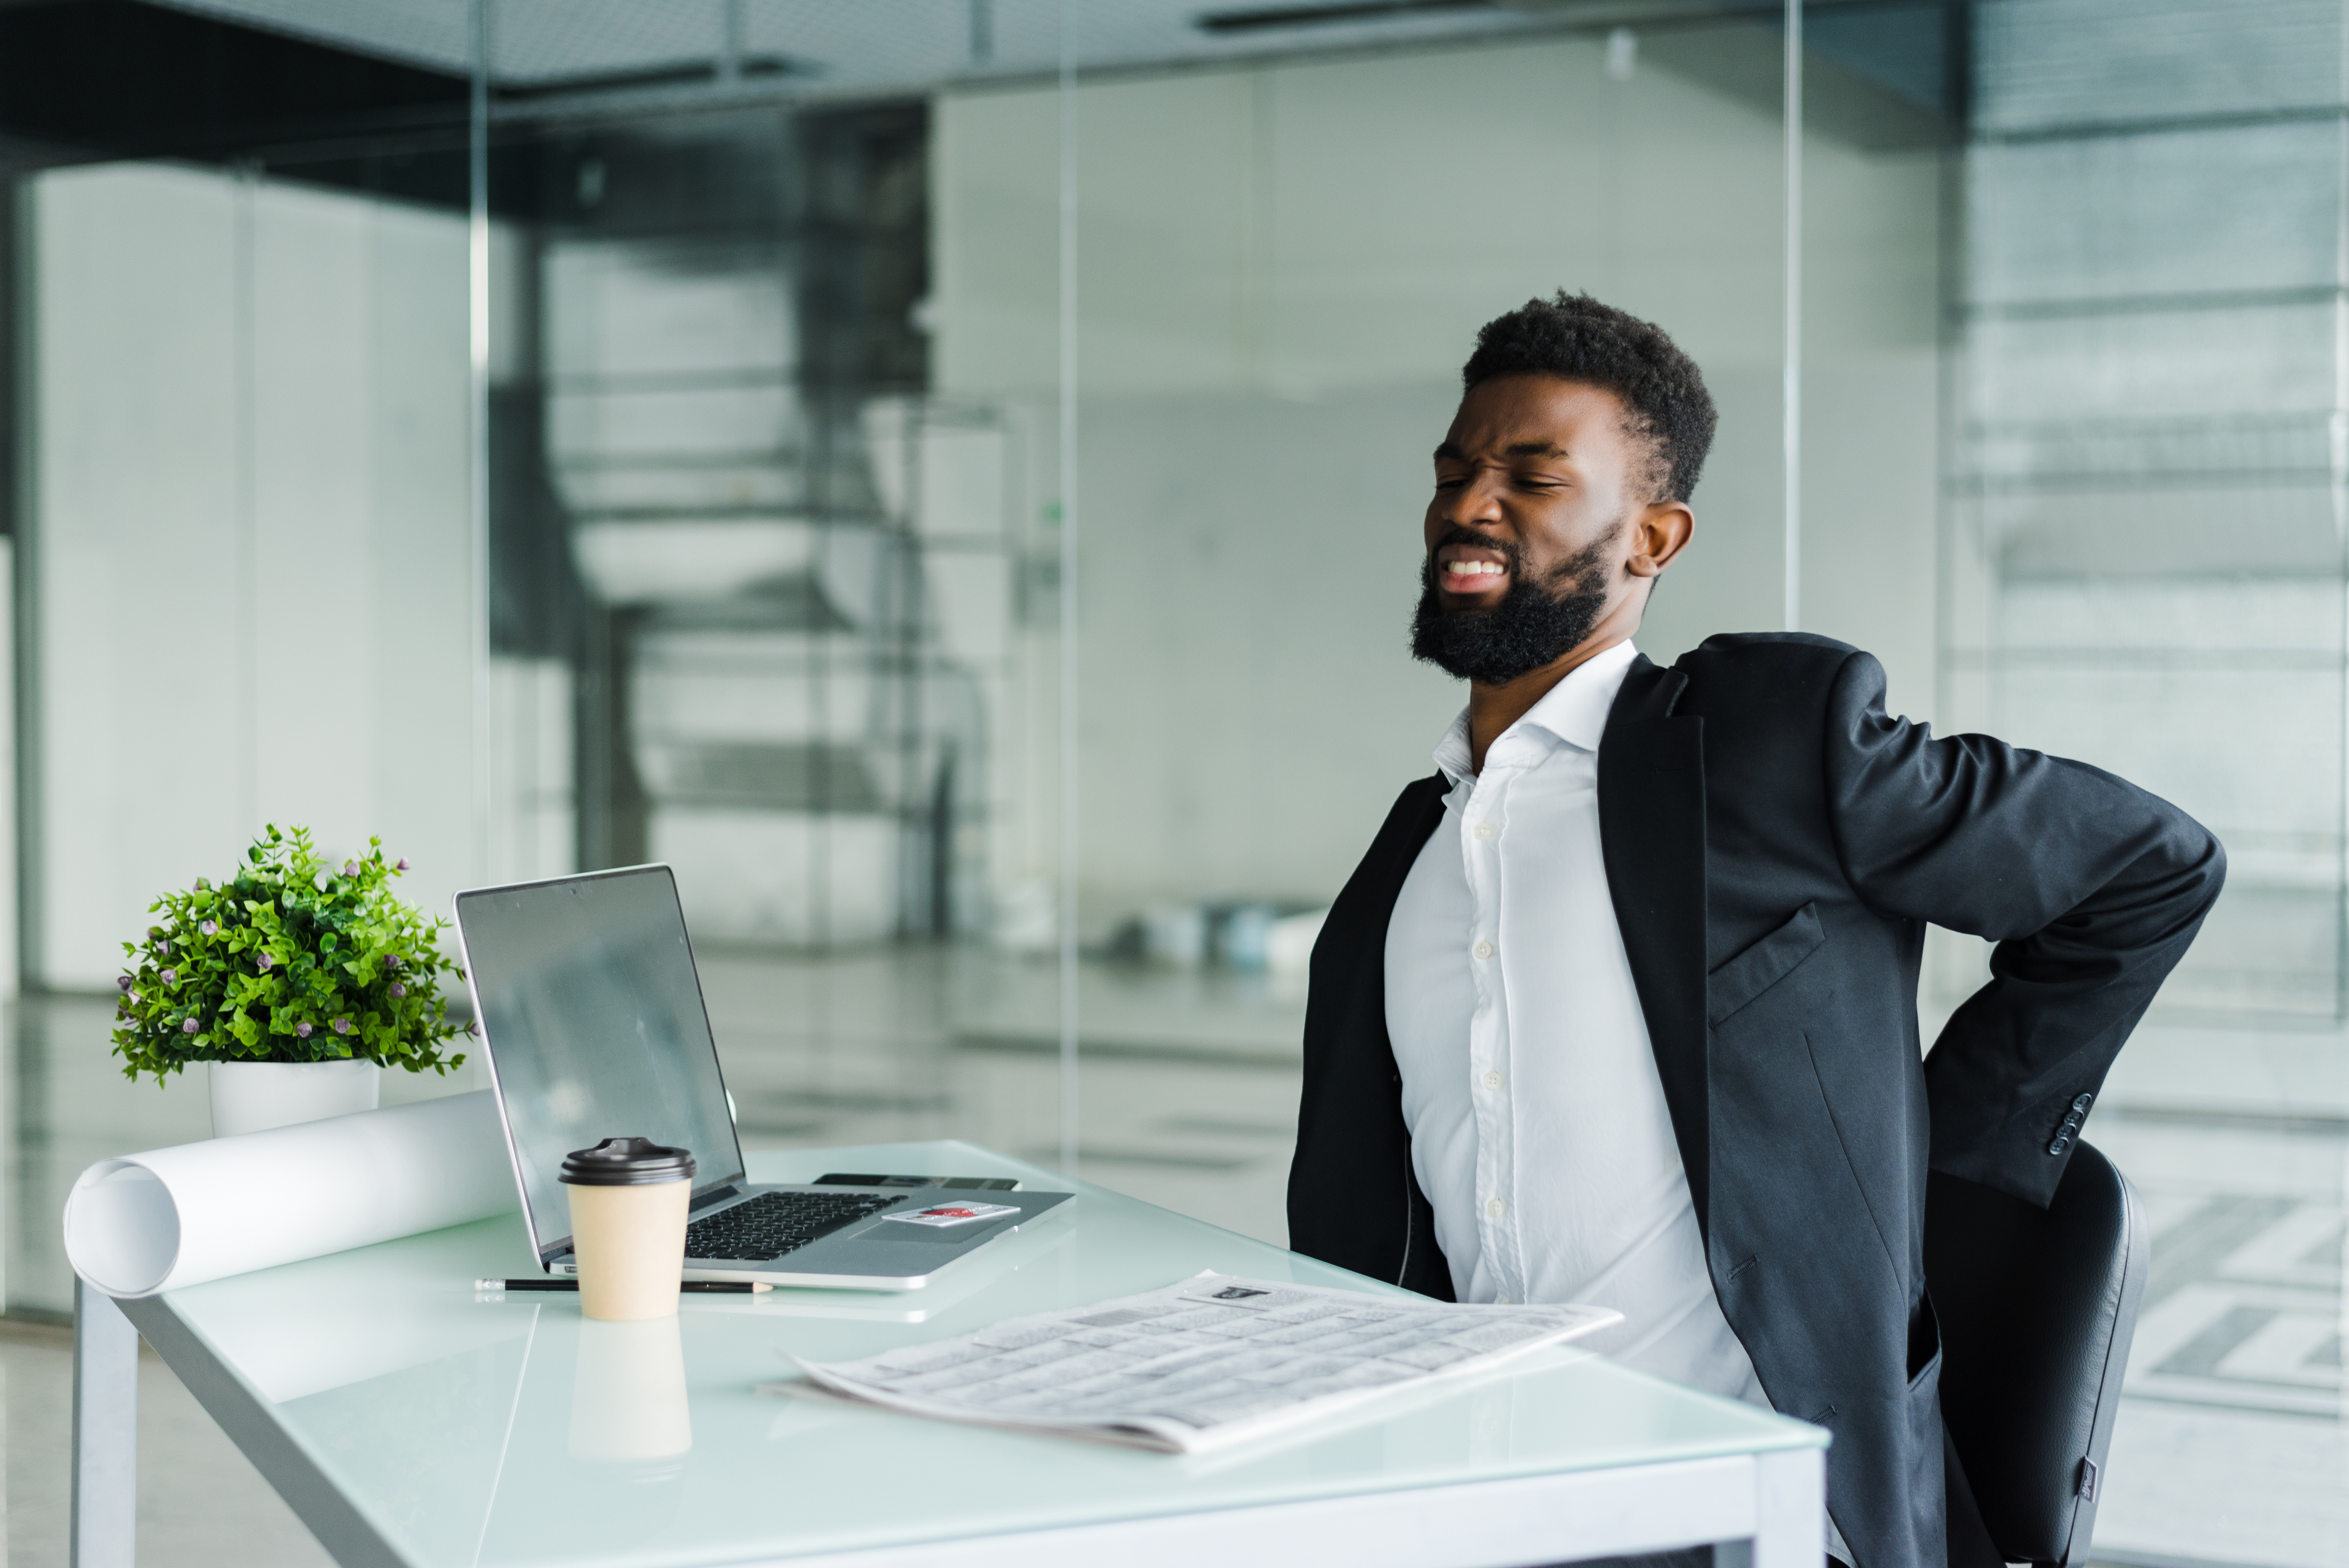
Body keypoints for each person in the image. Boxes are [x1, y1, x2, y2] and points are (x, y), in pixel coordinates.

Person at [1285, 293, 2223, 1568]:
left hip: (1758, 1511)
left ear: (1653, 536)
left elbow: (2147, 868)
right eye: (1455, 471)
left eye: (1531, 475)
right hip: (1490, 1498)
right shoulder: (1413, 851)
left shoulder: (1765, 745)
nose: (1468, 504)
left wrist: (1944, 1162)